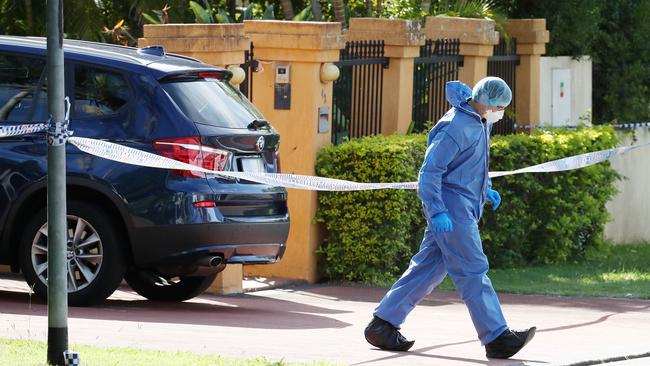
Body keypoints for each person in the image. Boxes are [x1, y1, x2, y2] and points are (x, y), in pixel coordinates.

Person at [364, 77, 535, 359]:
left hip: (463, 205)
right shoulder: (456, 126)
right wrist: (438, 211)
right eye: (501, 106)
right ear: (489, 102)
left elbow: (470, 164)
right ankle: (496, 337)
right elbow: (429, 173)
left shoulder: (480, 121)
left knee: (428, 269)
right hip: (452, 211)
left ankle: (382, 325)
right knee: (472, 271)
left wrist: (486, 189)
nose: (502, 111)